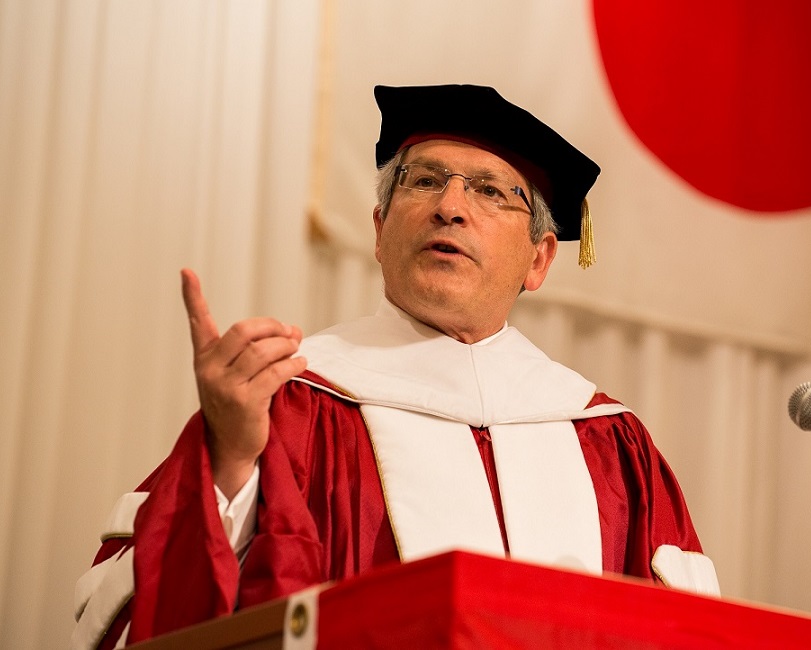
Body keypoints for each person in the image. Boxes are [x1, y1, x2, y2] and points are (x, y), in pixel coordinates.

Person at [72, 84, 719, 648]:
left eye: (491, 191)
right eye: (425, 180)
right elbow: (150, 619)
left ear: (539, 259)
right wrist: (231, 462)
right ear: (380, 231)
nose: (450, 206)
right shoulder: (291, 404)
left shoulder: (608, 441)